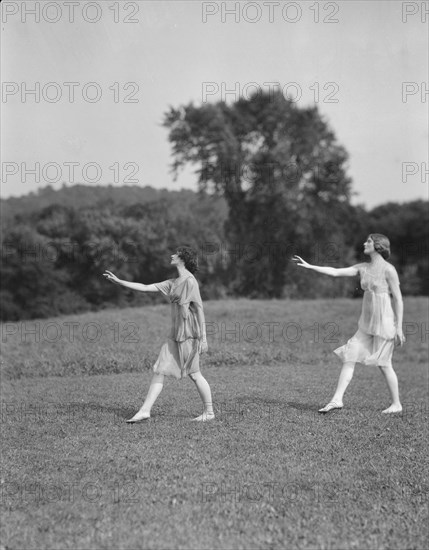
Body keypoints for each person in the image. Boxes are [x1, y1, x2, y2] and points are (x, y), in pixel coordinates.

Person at [293, 234, 405, 414]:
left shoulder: (389, 270)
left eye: (368, 241)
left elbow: (398, 300)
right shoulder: (362, 267)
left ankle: (396, 404)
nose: (364, 243)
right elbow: (336, 272)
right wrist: (309, 265)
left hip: (384, 323)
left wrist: (399, 327)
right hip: (366, 324)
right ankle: (337, 400)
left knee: (384, 364)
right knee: (350, 355)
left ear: (378, 246)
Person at [103, 246, 214, 422]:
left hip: (189, 334)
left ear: (182, 259)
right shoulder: (173, 282)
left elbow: (199, 309)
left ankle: (209, 413)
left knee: (195, 374)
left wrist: (204, 338)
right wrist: (119, 282)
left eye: (175, 254)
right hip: (174, 334)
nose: (171, 255)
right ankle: (145, 410)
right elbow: (146, 287)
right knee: (159, 369)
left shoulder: (190, 282)